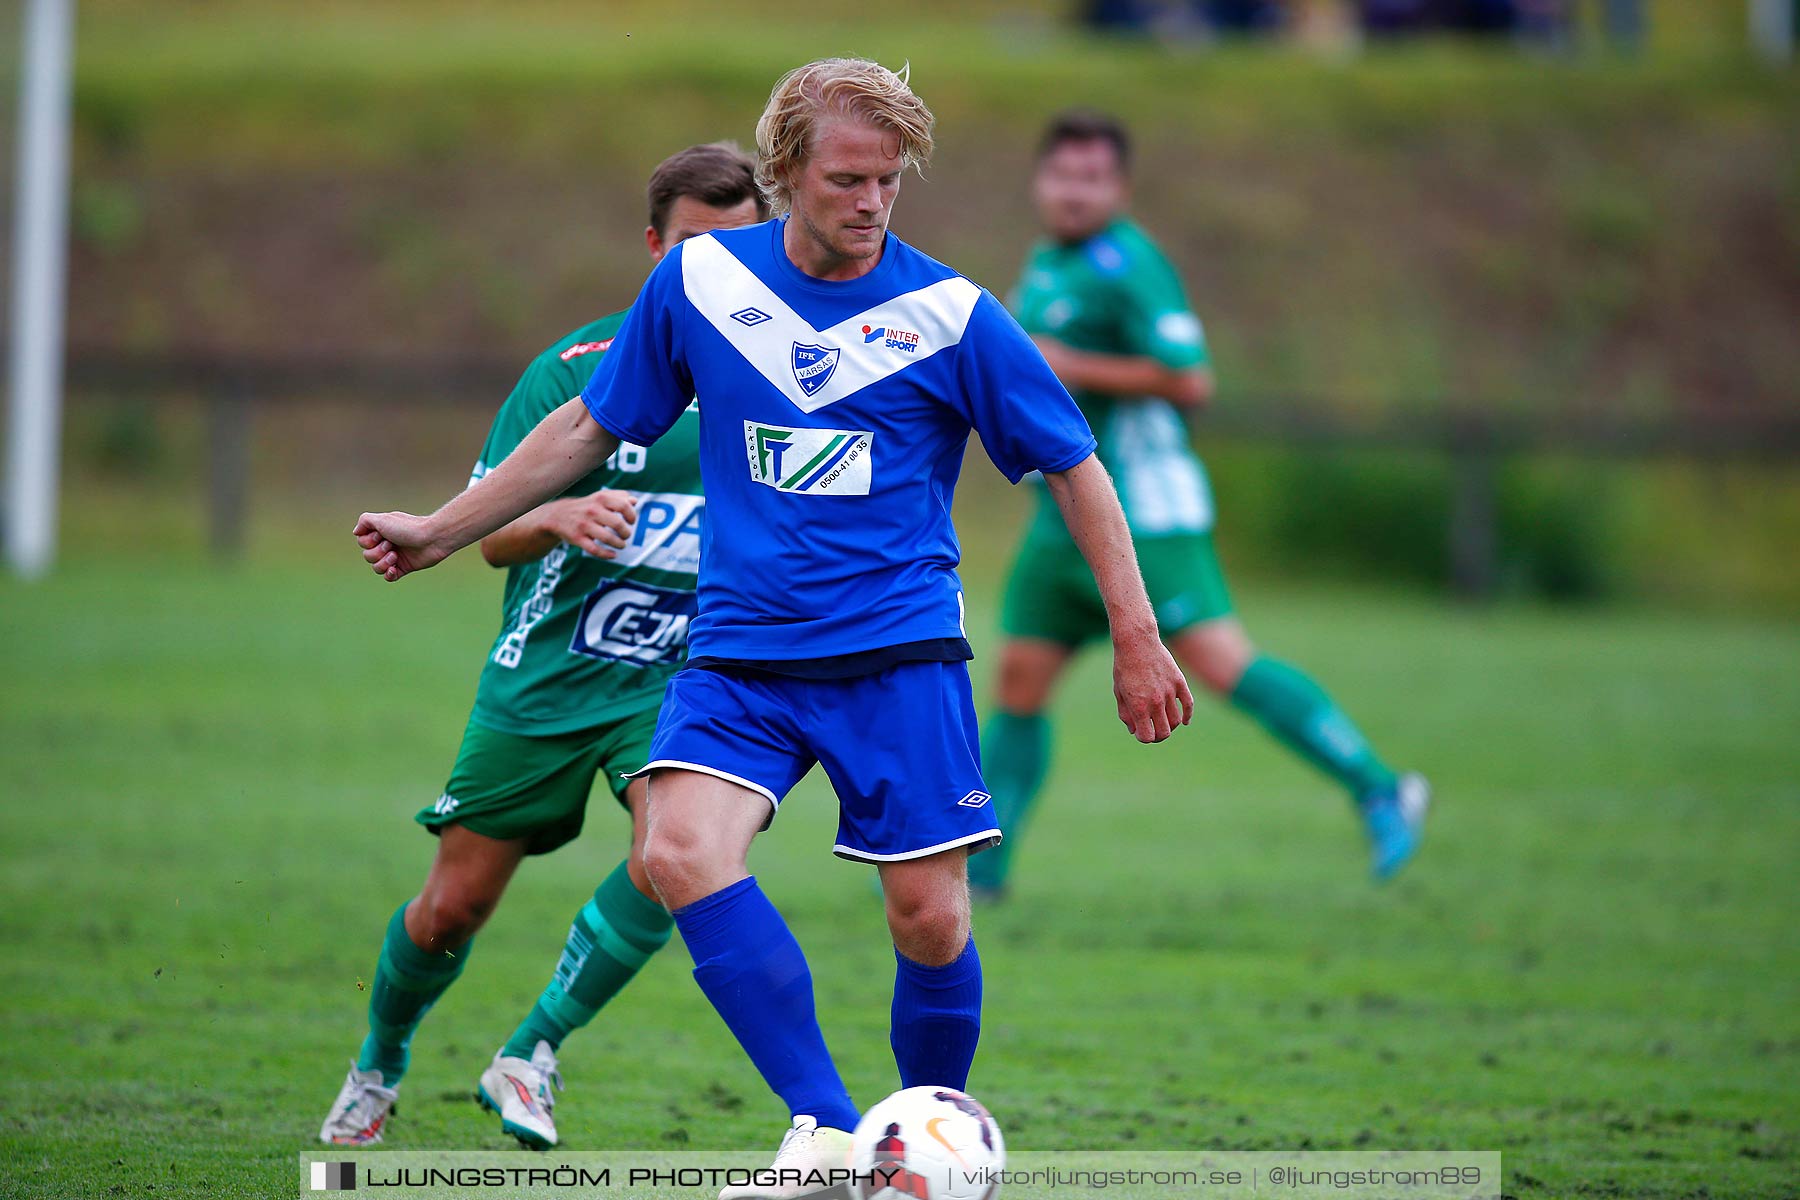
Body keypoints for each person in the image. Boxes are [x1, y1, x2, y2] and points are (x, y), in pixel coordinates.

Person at [352, 59, 1191, 1200]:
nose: (871, 202)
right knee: (676, 851)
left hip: (896, 657)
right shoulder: (701, 284)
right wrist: (444, 529)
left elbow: (1077, 470)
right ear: (787, 171)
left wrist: (1138, 637)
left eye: (890, 181)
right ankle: (831, 1130)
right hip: (742, 653)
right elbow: (588, 429)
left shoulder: (949, 314)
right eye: (847, 178)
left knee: (930, 919)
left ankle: (928, 1146)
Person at [319, 142, 766, 1150]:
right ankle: (378, 1065)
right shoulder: (577, 374)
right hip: (551, 675)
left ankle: (532, 1052)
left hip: (683, 679)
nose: (718, 271)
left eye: (743, 250)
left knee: (680, 853)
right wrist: (560, 518)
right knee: (451, 910)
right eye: (696, 248)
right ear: (655, 248)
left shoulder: (786, 383)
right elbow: (490, 536)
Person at [971, 110, 1428, 902]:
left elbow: (1191, 380)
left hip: (1145, 513)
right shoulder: (1050, 262)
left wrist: (1074, 364)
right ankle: (984, 871)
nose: (1075, 191)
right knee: (1018, 679)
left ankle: (1380, 787)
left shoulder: (1130, 266)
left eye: (1093, 178)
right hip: (1063, 516)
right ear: (1041, 180)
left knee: (1222, 665)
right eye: (1062, 174)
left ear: (1119, 187)